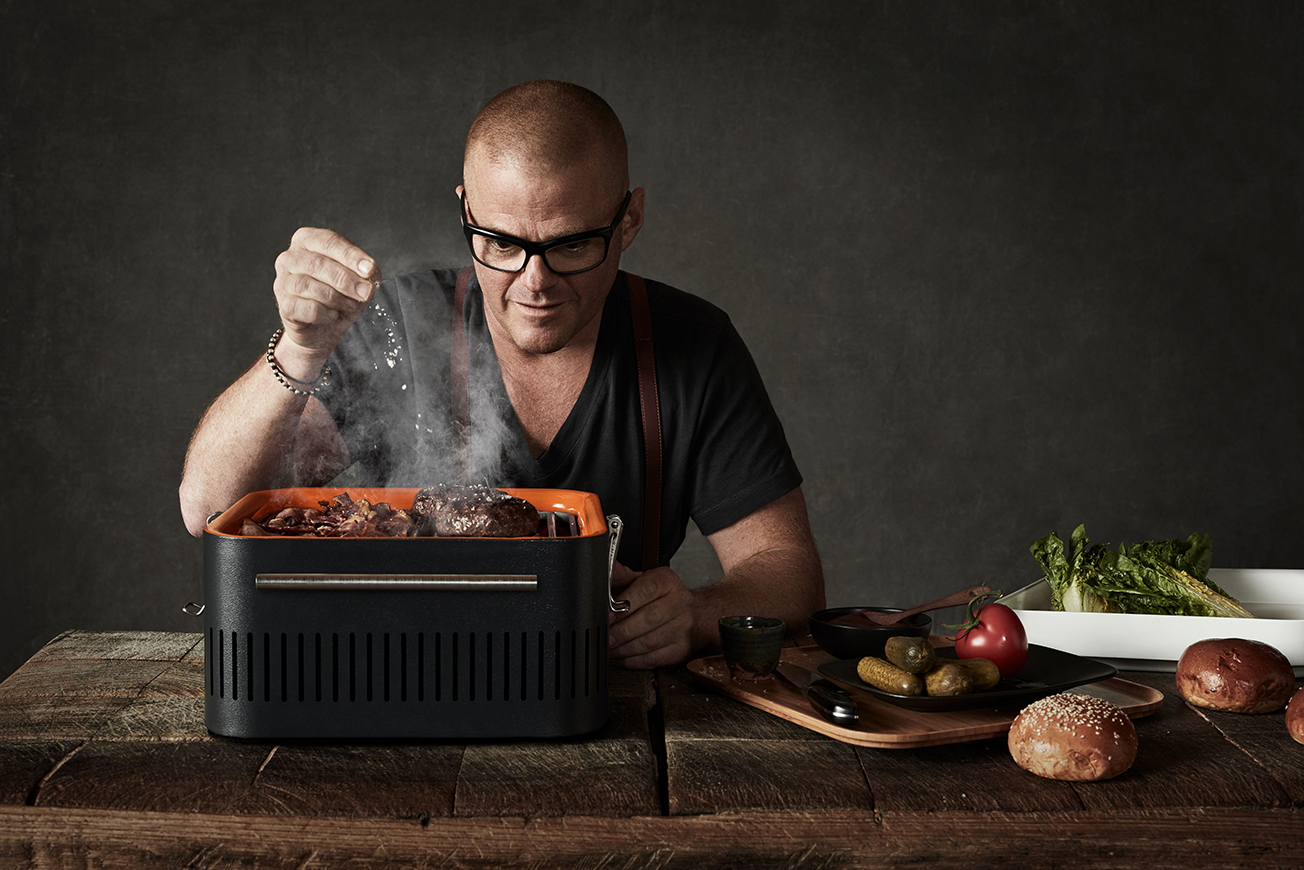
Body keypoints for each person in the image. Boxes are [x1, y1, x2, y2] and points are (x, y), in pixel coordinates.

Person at [179, 80, 823, 669]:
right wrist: (298, 348)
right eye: (501, 243)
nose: (534, 283)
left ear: (629, 219)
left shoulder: (690, 346)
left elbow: (788, 573)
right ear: (465, 211)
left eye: (572, 244)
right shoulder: (398, 327)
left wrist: (699, 616)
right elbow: (207, 508)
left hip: (611, 701)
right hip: (401, 684)